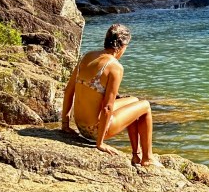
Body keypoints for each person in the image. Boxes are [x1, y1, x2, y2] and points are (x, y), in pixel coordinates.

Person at [61, 23, 159, 167]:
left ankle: (136, 155)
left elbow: (69, 90)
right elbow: (107, 107)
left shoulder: (87, 56)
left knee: (134, 101)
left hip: (80, 125)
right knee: (145, 106)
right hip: (94, 130)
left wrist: (65, 124)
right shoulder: (114, 67)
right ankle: (147, 157)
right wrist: (100, 143)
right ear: (122, 46)